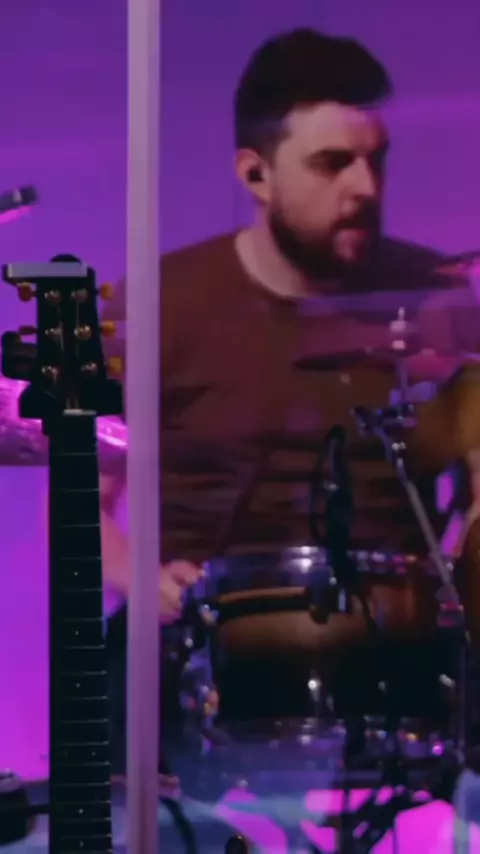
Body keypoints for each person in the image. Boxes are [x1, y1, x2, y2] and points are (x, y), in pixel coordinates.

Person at [101, 28, 480, 804]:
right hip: (201, 645)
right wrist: (141, 579)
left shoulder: (439, 300)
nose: (365, 187)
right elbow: (81, 506)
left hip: (399, 642)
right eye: (332, 163)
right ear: (256, 173)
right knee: (115, 683)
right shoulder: (158, 306)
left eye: (376, 159)